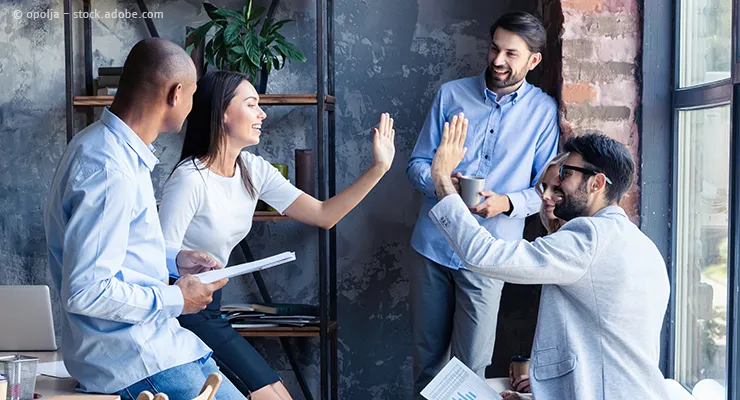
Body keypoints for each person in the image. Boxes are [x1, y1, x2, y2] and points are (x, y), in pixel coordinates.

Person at [157, 70, 396, 400]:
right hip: (181, 313)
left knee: (280, 396)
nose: (262, 114)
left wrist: (378, 169)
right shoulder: (190, 179)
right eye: (251, 104)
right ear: (223, 113)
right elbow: (157, 259)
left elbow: (324, 215)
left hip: (212, 309)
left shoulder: (252, 169)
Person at [44, 39, 247, 400]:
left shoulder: (104, 148)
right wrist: (176, 298)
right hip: (136, 360)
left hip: (161, 348)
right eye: (193, 95)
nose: (192, 106)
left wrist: (175, 260)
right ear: (176, 93)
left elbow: (115, 250)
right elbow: (86, 290)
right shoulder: (109, 168)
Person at [428, 117, 670, 400]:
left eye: (566, 173)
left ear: (597, 183)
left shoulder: (591, 235)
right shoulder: (642, 246)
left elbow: (484, 255)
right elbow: (601, 353)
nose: (556, 183)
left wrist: (441, 179)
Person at [405, 11, 559, 396]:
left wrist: (506, 202)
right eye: (494, 49)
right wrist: (443, 182)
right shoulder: (451, 95)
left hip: (491, 256)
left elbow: (545, 191)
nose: (498, 60)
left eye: (511, 53)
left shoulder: (543, 112)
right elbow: (416, 165)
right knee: (427, 367)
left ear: (533, 60)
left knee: (470, 370)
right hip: (433, 247)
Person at [501, 153, 568, 400]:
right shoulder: (544, 232)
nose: (546, 196)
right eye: (544, 187)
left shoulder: (574, 245)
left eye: (557, 190)